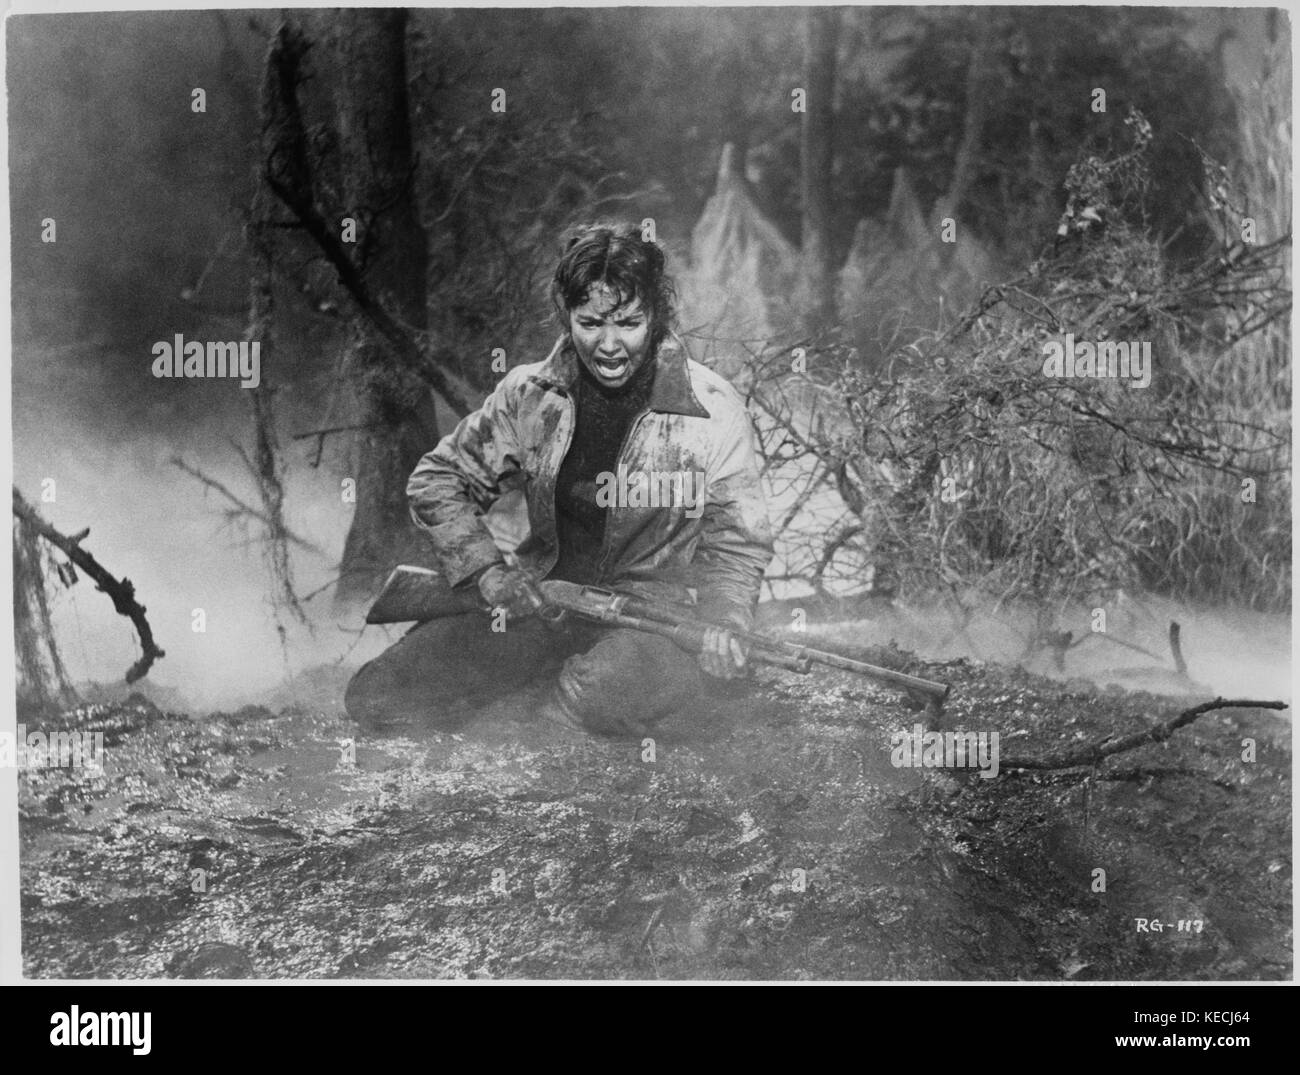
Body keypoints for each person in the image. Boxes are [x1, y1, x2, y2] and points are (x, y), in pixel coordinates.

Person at [344, 222, 773, 736]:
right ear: (565, 314)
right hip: (541, 607)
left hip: (655, 624)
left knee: (594, 693)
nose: (609, 345)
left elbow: (736, 544)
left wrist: (726, 624)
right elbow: (438, 479)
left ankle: (554, 721)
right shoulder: (531, 392)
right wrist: (489, 573)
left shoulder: (713, 410)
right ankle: (533, 690)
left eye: (630, 323)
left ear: (657, 315)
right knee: (378, 695)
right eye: (590, 323)